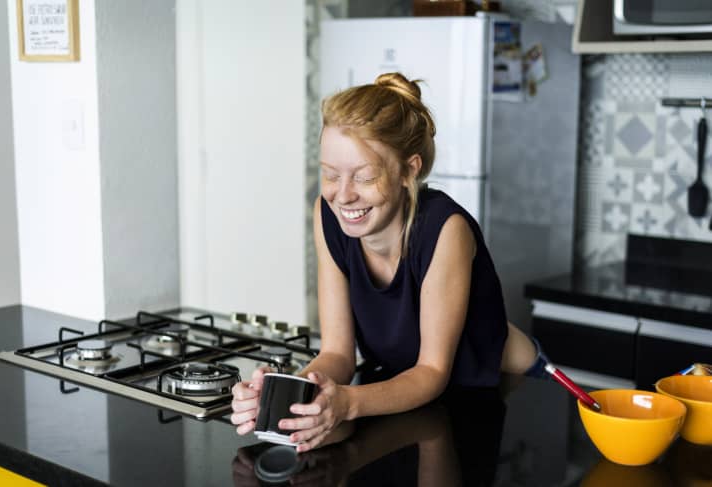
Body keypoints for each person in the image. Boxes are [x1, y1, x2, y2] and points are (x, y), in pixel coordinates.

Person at [230, 72, 545, 453]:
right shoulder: (327, 214)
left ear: (408, 170)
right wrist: (286, 399)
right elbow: (337, 353)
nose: (342, 195)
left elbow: (431, 372)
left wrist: (346, 403)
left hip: (506, 386)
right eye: (329, 174)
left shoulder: (445, 230)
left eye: (363, 177)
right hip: (409, 391)